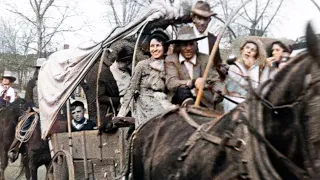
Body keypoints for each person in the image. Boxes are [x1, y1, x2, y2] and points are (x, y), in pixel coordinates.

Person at [117, 28, 175, 127]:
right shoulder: (142, 65)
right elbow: (131, 88)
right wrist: (122, 113)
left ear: (164, 47)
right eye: (152, 46)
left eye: (158, 45)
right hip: (145, 106)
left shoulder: (169, 65)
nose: (155, 49)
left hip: (163, 101)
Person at [165, 26, 222, 110]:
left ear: (196, 45)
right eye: (184, 44)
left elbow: (215, 80)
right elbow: (171, 83)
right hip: (180, 100)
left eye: (191, 44)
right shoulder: (171, 59)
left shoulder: (206, 59)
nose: (188, 48)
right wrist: (193, 82)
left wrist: (218, 90)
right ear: (179, 46)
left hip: (203, 100)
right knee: (181, 91)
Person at [222, 38, 272, 112]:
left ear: (256, 55)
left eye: (253, 50)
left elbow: (258, 87)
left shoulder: (257, 69)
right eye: (247, 48)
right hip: (232, 99)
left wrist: (252, 68)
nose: (249, 51)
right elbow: (246, 85)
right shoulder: (234, 66)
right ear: (242, 50)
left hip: (250, 100)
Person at [99, 40, 133, 116]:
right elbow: (101, 97)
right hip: (117, 110)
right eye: (125, 63)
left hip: (132, 107)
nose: (127, 65)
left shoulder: (128, 71)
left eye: (129, 63)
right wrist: (119, 100)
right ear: (119, 60)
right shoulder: (106, 75)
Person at [190, 1, 224, 74]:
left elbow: (217, 64)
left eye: (205, 19)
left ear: (209, 20)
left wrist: (222, 69)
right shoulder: (184, 36)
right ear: (193, 19)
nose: (202, 23)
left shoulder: (214, 40)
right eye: (199, 18)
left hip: (208, 81)